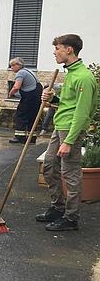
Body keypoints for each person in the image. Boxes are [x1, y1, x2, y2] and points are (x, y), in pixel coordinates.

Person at [36, 34, 98, 231]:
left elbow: (81, 113)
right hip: (60, 126)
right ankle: (57, 207)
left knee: (70, 173)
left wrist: (69, 141)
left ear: (69, 50)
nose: (55, 52)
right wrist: (51, 98)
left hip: (71, 130)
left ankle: (71, 218)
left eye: (58, 48)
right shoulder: (71, 73)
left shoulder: (84, 77)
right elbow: (65, 104)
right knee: (49, 167)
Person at [7, 57, 43, 143]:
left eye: (12, 65)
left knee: (20, 115)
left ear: (18, 65)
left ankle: (20, 137)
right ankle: (32, 138)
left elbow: (16, 87)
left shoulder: (21, 73)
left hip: (29, 97)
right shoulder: (29, 71)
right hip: (37, 97)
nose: (11, 68)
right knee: (32, 117)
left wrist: (10, 93)